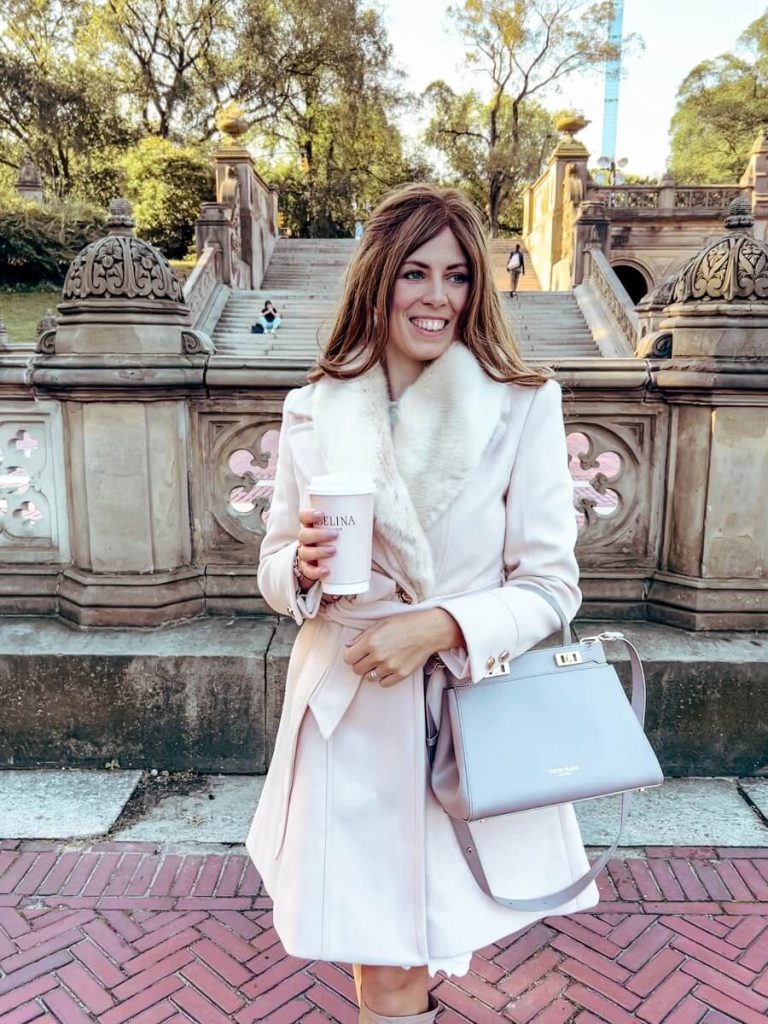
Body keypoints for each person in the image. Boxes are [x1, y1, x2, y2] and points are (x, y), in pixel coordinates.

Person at [246, 183, 596, 1024]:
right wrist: (300, 565)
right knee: (382, 964)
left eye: (458, 276)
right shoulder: (313, 405)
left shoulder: (520, 403)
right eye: (415, 273)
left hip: (456, 718)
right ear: (377, 280)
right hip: (341, 718)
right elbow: (267, 565)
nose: (438, 297)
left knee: (407, 955)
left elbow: (552, 585)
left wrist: (438, 626)